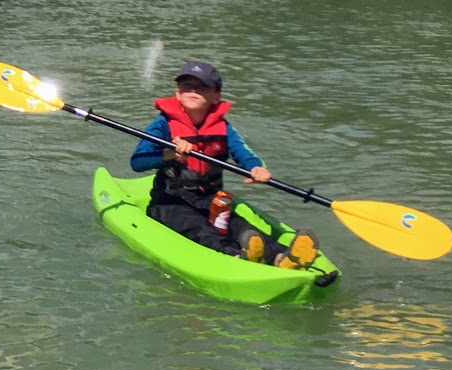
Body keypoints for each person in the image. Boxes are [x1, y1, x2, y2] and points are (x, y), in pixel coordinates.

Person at [129, 60, 319, 268]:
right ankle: (235, 258)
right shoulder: (162, 125)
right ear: (177, 93)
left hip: (210, 200)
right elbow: (138, 162)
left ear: (215, 96)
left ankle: (282, 257)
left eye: (202, 87)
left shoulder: (223, 128)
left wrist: (256, 168)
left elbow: (243, 154)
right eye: (186, 86)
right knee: (198, 227)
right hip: (170, 203)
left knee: (241, 227)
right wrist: (169, 154)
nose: (193, 91)